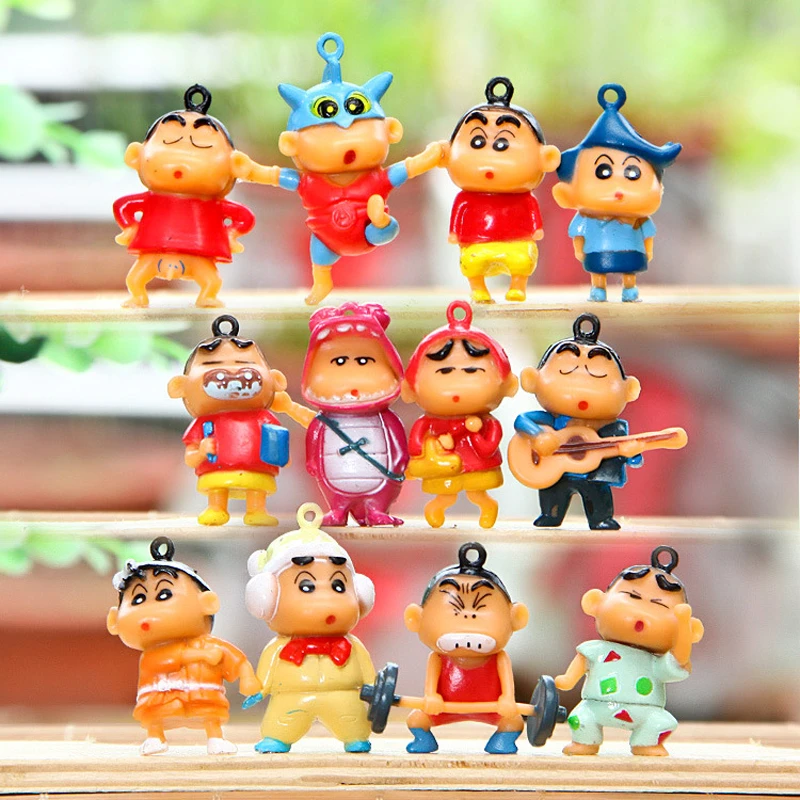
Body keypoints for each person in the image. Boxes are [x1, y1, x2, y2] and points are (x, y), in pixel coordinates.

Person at [231, 32, 446, 305]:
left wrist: (432, 156)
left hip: (368, 232)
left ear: (391, 130)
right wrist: (250, 170)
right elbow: (276, 176)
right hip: (327, 237)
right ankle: (322, 283)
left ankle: (380, 220)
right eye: (328, 133)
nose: (347, 143)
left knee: (384, 229)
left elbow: (409, 167)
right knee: (319, 252)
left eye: (358, 129)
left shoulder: (376, 179)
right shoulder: (309, 183)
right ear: (290, 144)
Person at [106, 536, 261, 755]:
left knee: (209, 713)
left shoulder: (211, 645)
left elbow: (236, 660)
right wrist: (199, 656)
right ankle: (156, 737)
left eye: (164, 595)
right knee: (155, 715)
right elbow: (162, 662)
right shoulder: (153, 654)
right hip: (162, 696)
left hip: (203, 695)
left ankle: (215, 737)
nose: (150, 610)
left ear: (207, 603)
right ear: (114, 620)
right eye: (138, 599)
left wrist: (247, 677)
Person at [243, 504, 376, 753]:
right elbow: (266, 673)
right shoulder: (277, 647)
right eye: (306, 587)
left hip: (343, 696)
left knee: (353, 722)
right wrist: (259, 690)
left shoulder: (353, 646)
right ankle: (277, 738)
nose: (326, 600)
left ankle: (355, 738)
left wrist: (374, 686)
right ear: (267, 597)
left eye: (338, 586)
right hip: (291, 697)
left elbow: (369, 674)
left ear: (359, 592)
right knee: (282, 721)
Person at [113, 84, 256, 308]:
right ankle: (138, 295)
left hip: (198, 251)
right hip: (154, 248)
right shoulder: (153, 198)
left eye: (201, 145)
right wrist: (130, 227)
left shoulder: (212, 203)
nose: (182, 161)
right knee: (136, 278)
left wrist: (232, 234)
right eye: (170, 142)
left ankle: (207, 296)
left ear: (235, 165)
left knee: (211, 280)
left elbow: (244, 217)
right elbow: (123, 207)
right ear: (135, 156)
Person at [555, 545, 704, 756]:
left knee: (662, 722)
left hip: (644, 711)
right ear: (595, 603)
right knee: (580, 717)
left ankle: (646, 743)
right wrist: (568, 679)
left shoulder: (655, 662)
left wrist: (682, 628)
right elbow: (581, 662)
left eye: (659, 605)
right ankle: (585, 741)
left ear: (693, 631)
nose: (641, 613)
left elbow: (679, 660)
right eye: (633, 596)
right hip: (595, 705)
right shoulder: (596, 650)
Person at [167, 315, 307, 526]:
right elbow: (190, 457)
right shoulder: (205, 423)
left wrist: (280, 455)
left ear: (275, 380)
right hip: (216, 473)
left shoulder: (263, 418)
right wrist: (202, 451)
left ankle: (256, 510)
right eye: (215, 367)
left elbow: (276, 439)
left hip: (257, 472)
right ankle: (216, 508)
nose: (232, 376)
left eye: (244, 367)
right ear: (181, 386)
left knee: (257, 490)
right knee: (217, 490)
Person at [510, 313, 643, 529]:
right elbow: (521, 421)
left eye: (597, 377)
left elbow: (627, 451)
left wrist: (631, 453)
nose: (581, 389)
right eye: (567, 373)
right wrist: (539, 435)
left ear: (630, 390)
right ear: (532, 380)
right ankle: (551, 515)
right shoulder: (553, 422)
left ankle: (600, 518)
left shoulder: (611, 429)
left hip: (593, 475)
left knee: (598, 496)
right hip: (554, 472)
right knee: (552, 495)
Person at [552, 83, 682, 302]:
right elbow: (577, 235)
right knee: (597, 270)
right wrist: (579, 250)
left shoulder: (640, 220)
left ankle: (629, 288)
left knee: (629, 270)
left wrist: (648, 251)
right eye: (603, 172)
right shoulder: (586, 218)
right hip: (597, 250)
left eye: (632, 173)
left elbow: (648, 236)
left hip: (630, 250)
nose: (618, 187)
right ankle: (598, 289)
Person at [402, 542, 529, 754]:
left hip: (491, 708)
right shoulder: (438, 658)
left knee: (513, 721)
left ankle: (502, 742)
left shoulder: (499, 658)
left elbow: (507, 685)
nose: (468, 616)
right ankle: (424, 741)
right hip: (444, 708)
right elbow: (431, 685)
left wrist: (507, 699)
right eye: (455, 609)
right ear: (416, 619)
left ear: (516, 618)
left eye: (480, 608)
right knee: (416, 719)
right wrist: (432, 697)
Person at [290, 302, 409, 526]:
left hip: (380, 475)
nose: (352, 377)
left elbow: (396, 438)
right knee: (335, 489)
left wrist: (400, 458)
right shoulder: (323, 421)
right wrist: (312, 460)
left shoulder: (385, 418)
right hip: (334, 476)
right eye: (339, 361)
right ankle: (338, 509)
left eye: (364, 361)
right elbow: (314, 436)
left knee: (380, 492)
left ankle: (376, 509)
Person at [402, 300, 518, 528]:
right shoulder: (428, 422)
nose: (457, 386)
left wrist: (474, 434)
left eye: (471, 371)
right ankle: (436, 508)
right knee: (445, 495)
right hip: (442, 468)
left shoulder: (489, 423)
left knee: (478, 493)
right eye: (444, 371)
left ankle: (488, 507)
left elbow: (488, 448)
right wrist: (432, 443)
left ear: (506, 385)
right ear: (411, 388)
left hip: (477, 466)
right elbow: (415, 445)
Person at [444, 77, 560, 303]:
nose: (489, 159)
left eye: (502, 144)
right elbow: (459, 214)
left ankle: (517, 286)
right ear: (447, 154)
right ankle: (478, 289)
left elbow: (533, 213)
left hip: (516, 241)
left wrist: (536, 228)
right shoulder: (465, 198)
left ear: (546, 158)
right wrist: (455, 232)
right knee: (472, 262)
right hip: (476, 241)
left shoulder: (525, 198)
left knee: (522, 260)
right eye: (477, 142)